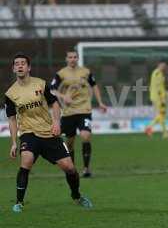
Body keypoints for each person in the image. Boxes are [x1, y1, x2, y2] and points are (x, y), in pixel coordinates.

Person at [5, 53, 92, 213]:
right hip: (28, 133)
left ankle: (76, 195)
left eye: (23, 63)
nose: (20, 65)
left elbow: (55, 104)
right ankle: (19, 202)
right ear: (13, 68)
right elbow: (11, 119)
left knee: (70, 168)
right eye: (16, 63)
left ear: (29, 67)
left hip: (48, 133)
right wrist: (13, 142)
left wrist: (57, 123)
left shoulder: (41, 84)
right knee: (26, 161)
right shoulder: (10, 94)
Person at [51, 50, 107, 178]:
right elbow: (52, 89)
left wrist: (100, 102)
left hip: (84, 110)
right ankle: (73, 169)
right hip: (68, 112)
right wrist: (64, 96)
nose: (72, 59)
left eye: (75, 57)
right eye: (70, 57)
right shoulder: (61, 74)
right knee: (69, 143)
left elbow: (94, 86)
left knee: (86, 136)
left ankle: (86, 169)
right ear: (66, 59)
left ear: (78, 58)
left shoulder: (86, 72)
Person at [145, 62, 168, 139]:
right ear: (159, 66)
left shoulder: (157, 73)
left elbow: (158, 86)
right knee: (162, 114)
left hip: (157, 97)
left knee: (162, 115)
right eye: (162, 66)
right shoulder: (158, 73)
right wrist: (162, 98)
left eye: (164, 66)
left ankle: (164, 133)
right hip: (158, 98)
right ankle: (149, 127)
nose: (164, 67)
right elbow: (158, 87)